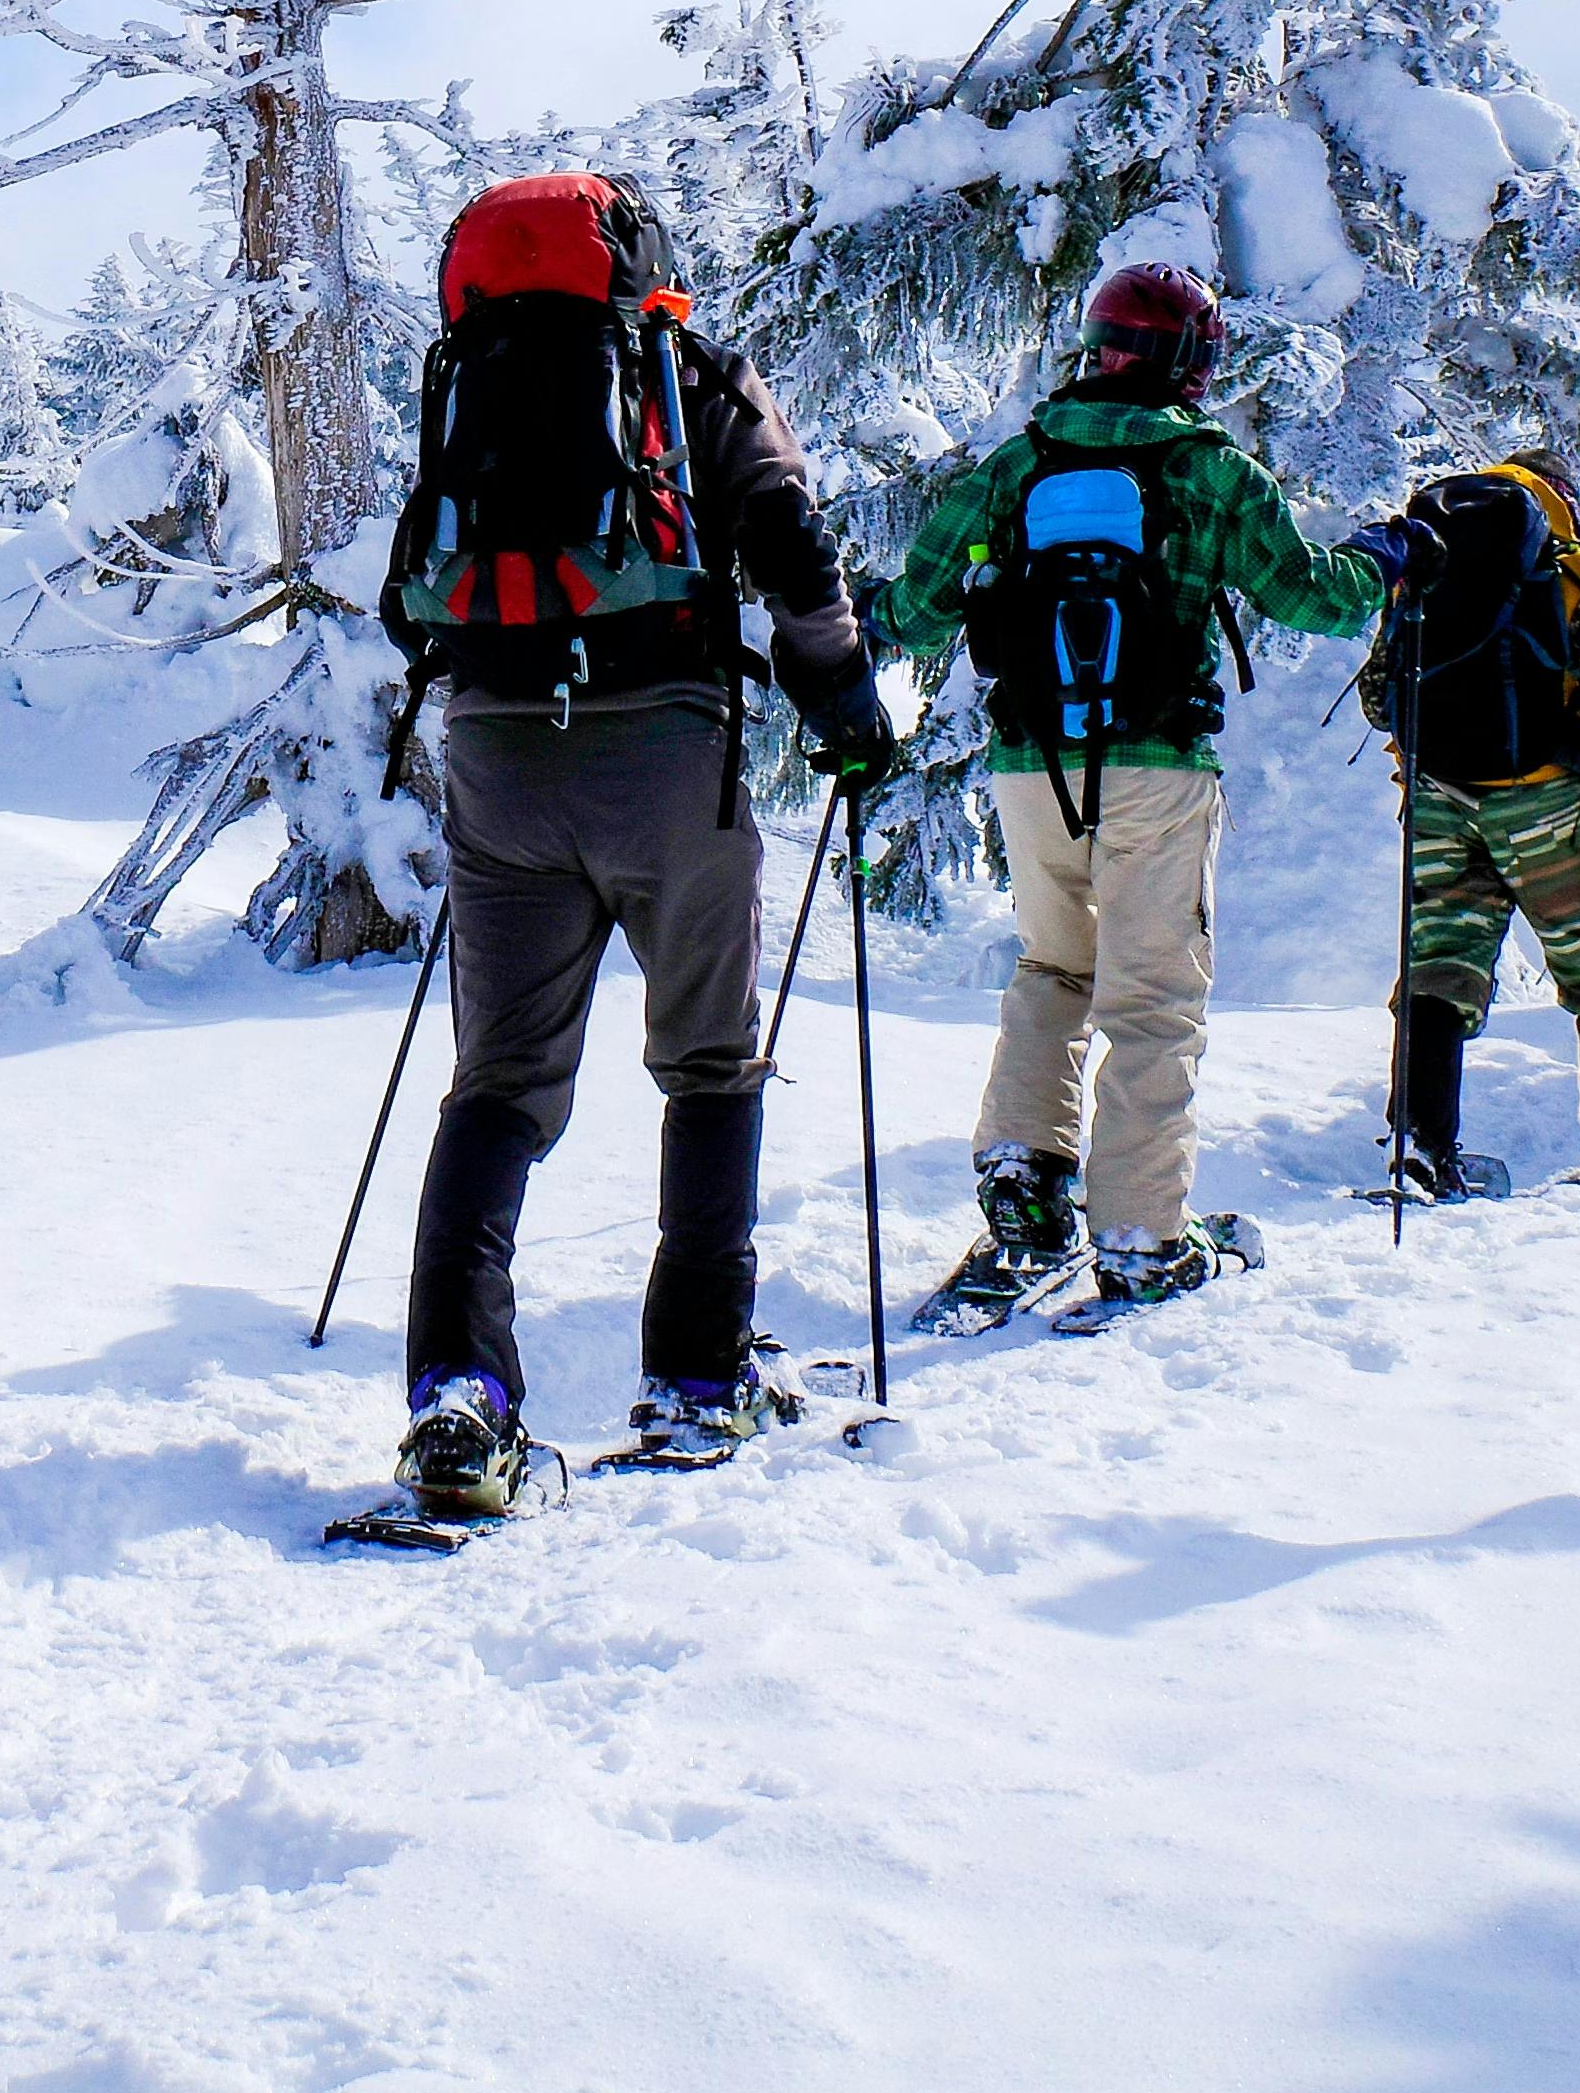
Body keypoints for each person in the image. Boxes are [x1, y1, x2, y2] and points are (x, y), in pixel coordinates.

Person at [375, 171, 888, 1523]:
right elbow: (787, 536)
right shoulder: (689, 374)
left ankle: (458, 1399)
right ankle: (698, 1378)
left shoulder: (465, 378)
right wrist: (841, 699)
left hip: (495, 758)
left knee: (496, 1085)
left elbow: (404, 593)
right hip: (669, 756)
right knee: (711, 1063)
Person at [881, 263, 1395, 1318]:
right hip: (1158, 765)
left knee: (1053, 963)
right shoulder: (1210, 469)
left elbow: (918, 608)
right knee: (1154, 1002)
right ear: (1193, 362)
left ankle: (1025, 1177)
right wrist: (1384, 558)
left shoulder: (1016, 465)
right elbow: (1319, 599)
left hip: (1032, 763)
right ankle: (1142, 1236)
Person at [1368, 440, 1580, 1197]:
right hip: (1547, 799)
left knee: (1441, 963)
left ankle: (1422, 1147)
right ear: (1559, 498)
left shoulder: (1424, 562)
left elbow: (1376, 697)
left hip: (1438, 796)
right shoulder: (1567, 572)